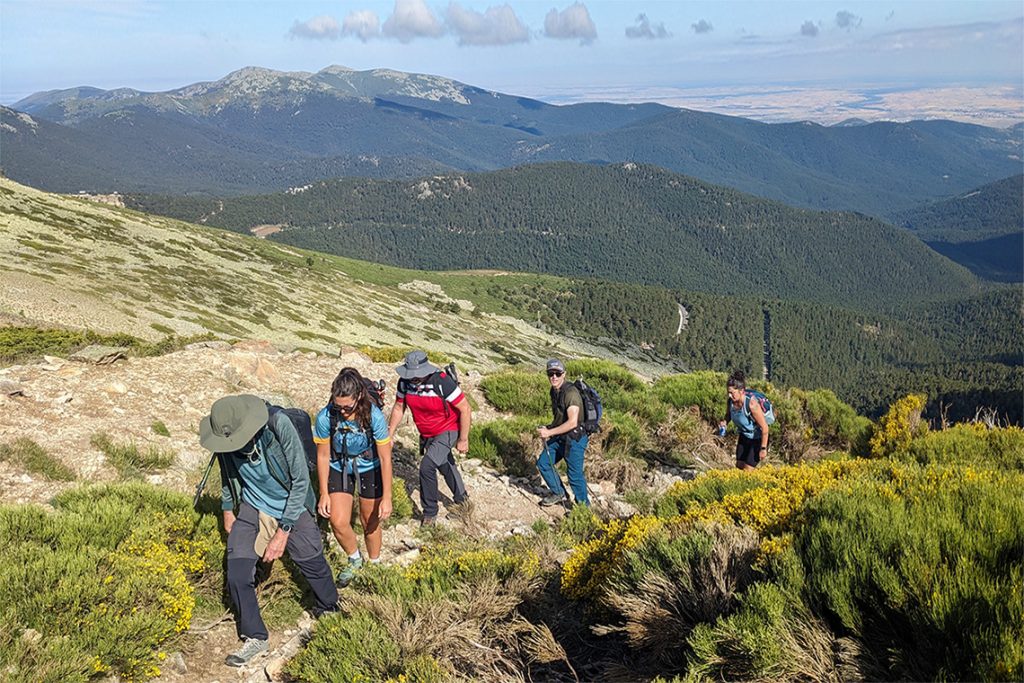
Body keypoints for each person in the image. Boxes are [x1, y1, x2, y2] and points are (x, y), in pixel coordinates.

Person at [199, 394, 338, 667]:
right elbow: (227, 475)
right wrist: (227, 509)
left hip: (292, 503)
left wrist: (282, 532)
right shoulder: (224, 439)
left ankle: (329, 607)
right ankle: (255, 636)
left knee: (312, 561)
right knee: (237, 571)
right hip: (253, 504)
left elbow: (300, 481)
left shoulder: (278, 425)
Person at [313, 368, 393, 587]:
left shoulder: (374, 416)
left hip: (370, 465)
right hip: (338, 465)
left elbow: (386, 458)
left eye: (347, 407)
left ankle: (374, 564)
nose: (343, 411)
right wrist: (323, 493)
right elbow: (322, 455)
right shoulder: (325, 417)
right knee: (337, 521)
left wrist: (387, 497)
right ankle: (355, 559)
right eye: (338, 406)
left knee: (370, 521)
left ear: (359, 397)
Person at [387, 350, 470, 526]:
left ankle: (430, 513)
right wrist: (390, 434)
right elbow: (399, 408)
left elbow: (465, 408)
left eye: (417, 375)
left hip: (448, 429)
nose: (414, 378)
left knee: (427, 466)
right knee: (445, 465)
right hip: (427, 433)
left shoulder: (441, 381)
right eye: (411, 374)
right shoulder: (404, 383)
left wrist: (463, 439)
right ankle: (464, 503)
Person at [535, 358, 589, 507]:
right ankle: (559, 492)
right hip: (561, 436)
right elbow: (560, 418)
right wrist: (549, 428)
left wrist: (549, 432)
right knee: (544, 463)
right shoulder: (554, 391)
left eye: (557, 373)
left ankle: (584, 509)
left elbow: (572, 422)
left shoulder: (571, 393)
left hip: (575, 438)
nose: (554, 377)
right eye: (550, 373)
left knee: (574, 476)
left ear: (564, 374)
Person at [718, 370, 770, 470]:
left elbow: (765, 427)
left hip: (757, 439)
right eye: (728, 392)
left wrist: (763, 448)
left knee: (747, 471)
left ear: (741, 391)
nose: (729, 395)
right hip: (744, 436)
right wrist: (725, 422)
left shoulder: (751, 405)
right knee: (739, 467)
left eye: (732, 393)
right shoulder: (731, 402)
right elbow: (728, 415)